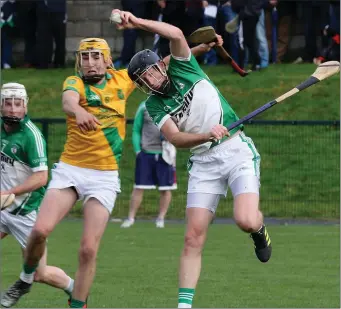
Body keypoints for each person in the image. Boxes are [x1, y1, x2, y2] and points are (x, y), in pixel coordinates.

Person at [3, 35, 223, 308]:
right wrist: (78, 113)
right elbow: (68, 102)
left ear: (108, 61)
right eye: (85, 57)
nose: (91, 63)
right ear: (79, 62)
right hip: (71, 169)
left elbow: (162, 64)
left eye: (97, 57)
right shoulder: (74, 83)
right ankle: (26, 278)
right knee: (39, 231)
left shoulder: (122, 80)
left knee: (88, 249)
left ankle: (78, 303)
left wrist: (200, 47)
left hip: (104, 176)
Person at [112, 8, 272, 308]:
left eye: (150, 71)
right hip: (203, 161)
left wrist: (136, 22)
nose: (150, 79)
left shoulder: (183, 66)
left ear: (161, 66)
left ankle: (259, 230)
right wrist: (205, 135)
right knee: (192, 238)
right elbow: (175, 138)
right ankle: (183, 306)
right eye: (142, 79)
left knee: (246, 220)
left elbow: (174, 34)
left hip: (235, 149)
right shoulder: (154, 106)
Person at [0, 83, 74, 308]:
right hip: (3, 209)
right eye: (8, 103)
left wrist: (9, 193)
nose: (13, 109)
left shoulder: (32, 136)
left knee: (40, 274)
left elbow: (41, 178)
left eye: (18, 104)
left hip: (27, 212)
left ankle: (76, 289)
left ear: (25, 106)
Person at [121, 100, 177, 229]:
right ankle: (130, 218)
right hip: (146, 153)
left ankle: (160, 218)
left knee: (166, 188)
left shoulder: (173, 106)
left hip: (166, 154)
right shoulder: (144, 106)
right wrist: (138, 151)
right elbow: (136, 129)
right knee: (139, 187)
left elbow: (181, 128)